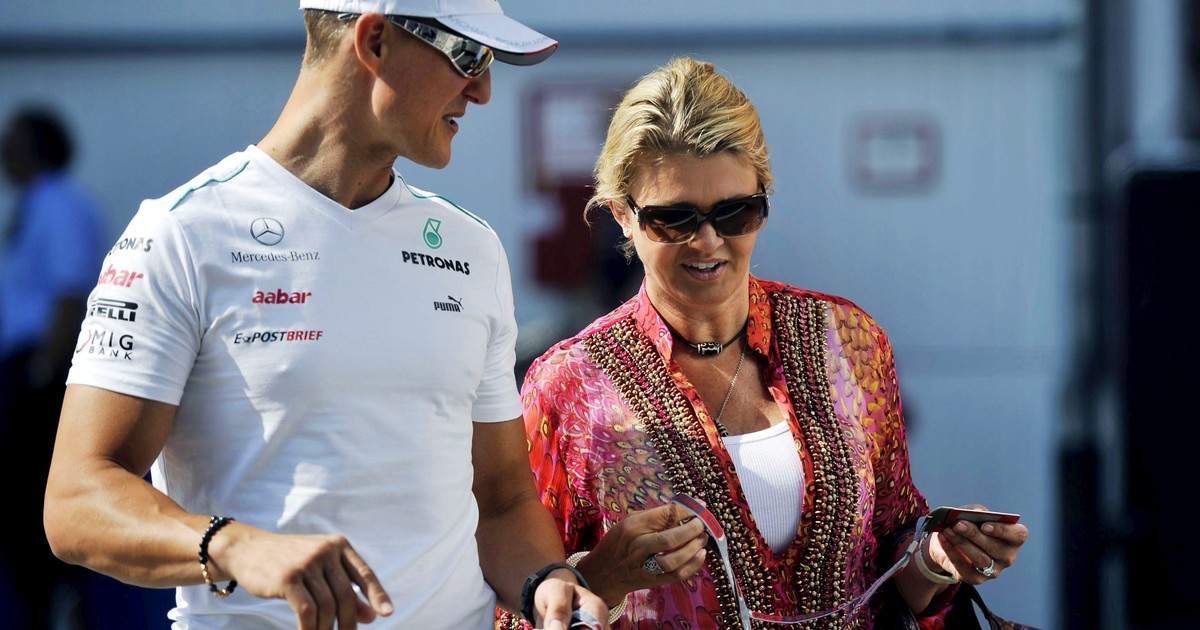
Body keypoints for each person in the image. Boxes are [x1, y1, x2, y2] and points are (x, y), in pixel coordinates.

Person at [43, 2, 611, 629]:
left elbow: (500, 500)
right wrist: (235, 546)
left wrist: (546, 582)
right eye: (468, 56)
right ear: (374, 41)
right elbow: (76, 500)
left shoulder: (472, 248)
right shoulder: (181, 233)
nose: (483, 91)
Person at [496, 57, 1030, 629]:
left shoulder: (848, 342)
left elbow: (892, 548)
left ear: (764, 204)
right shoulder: (569, 385)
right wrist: (601, 576)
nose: (708, 241)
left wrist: (939, 558)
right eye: (674, 219)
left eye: (735, 213)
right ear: (622, 216)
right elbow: (519, 609)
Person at [0, 103, 107, 629]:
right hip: (25, 367)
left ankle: (60, 605)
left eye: (12, 140)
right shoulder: (33, 205)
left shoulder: (59, 205)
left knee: (34, 498)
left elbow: (70, 293)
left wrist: (43, 373)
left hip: (41, 372)